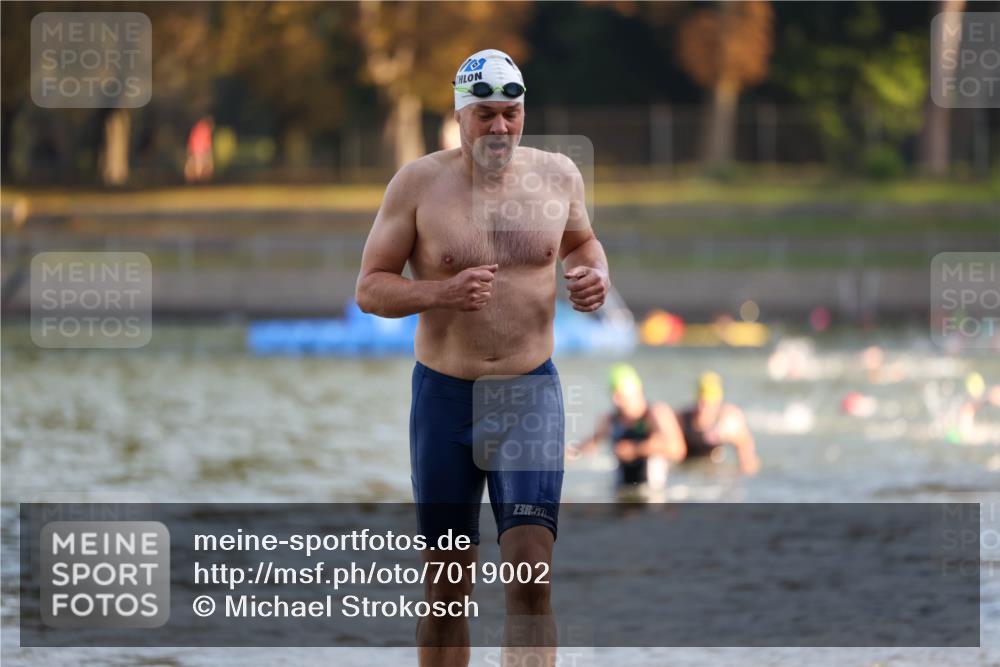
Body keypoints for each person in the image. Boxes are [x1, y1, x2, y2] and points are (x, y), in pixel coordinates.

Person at [355, 49, 609, 667]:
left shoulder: (558, 176)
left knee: (529, 576)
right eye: (486, 115)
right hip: (445, 400)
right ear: (461, 114)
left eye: (512, 114)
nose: (500, 128)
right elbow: (370, 287)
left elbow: (581, 243)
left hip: (529, 396)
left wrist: (592, 274)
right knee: (446, 589)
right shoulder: (417, 184)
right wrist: (440, 291)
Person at [569, 363, 685, 501]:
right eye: (612, 394)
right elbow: (591, 443)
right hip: (622, 491)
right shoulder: (610, 419)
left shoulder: (656, 414)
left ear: (636, 390)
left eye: (620, 395)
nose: (616, 401)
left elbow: (678, 450)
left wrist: (635, 449)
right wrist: (564, 454)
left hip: (655, 493)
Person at [676, 372, 760, 475]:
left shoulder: (726, 420)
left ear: (718, 402)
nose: (702, 408)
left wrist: (748, 472)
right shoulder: (684, 418)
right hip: (688, 469)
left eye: (707, 403)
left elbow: (745, 449)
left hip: (713, 468)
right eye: (701, 402)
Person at [184, 115, 214, 182]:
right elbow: (206, 140)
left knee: (201, 165)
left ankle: (199, 179)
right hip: (199, 149)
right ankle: (198, 180)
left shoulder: (198, 128)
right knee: (199, 166)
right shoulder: (204, 129)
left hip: (199, 149)